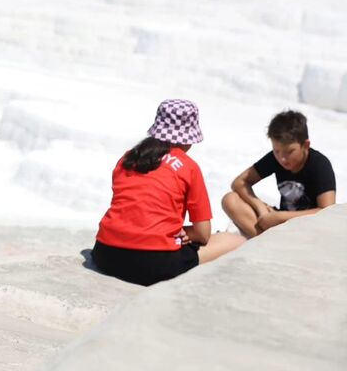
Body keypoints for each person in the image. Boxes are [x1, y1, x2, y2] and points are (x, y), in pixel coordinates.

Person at [91, 99, 244, 286]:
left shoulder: (128, 157)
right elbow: (203, 235)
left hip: (105, 255)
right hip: (154, 264)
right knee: (234, 241)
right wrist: (186, 232)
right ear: (189, 139)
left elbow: (133, 207)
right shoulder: (188, 167)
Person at [221, 110, 336, 238]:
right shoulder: (276, 159)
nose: (282, 158)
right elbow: (240, 182)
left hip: (308, 229)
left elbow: (327, 212)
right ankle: (265, 241)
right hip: (280, 222)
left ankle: (264, 241)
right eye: (277, 151)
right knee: (230, 200)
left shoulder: (319, 164)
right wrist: (261, 208)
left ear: (305, 145)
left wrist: (280, 217)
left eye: (290, 151)